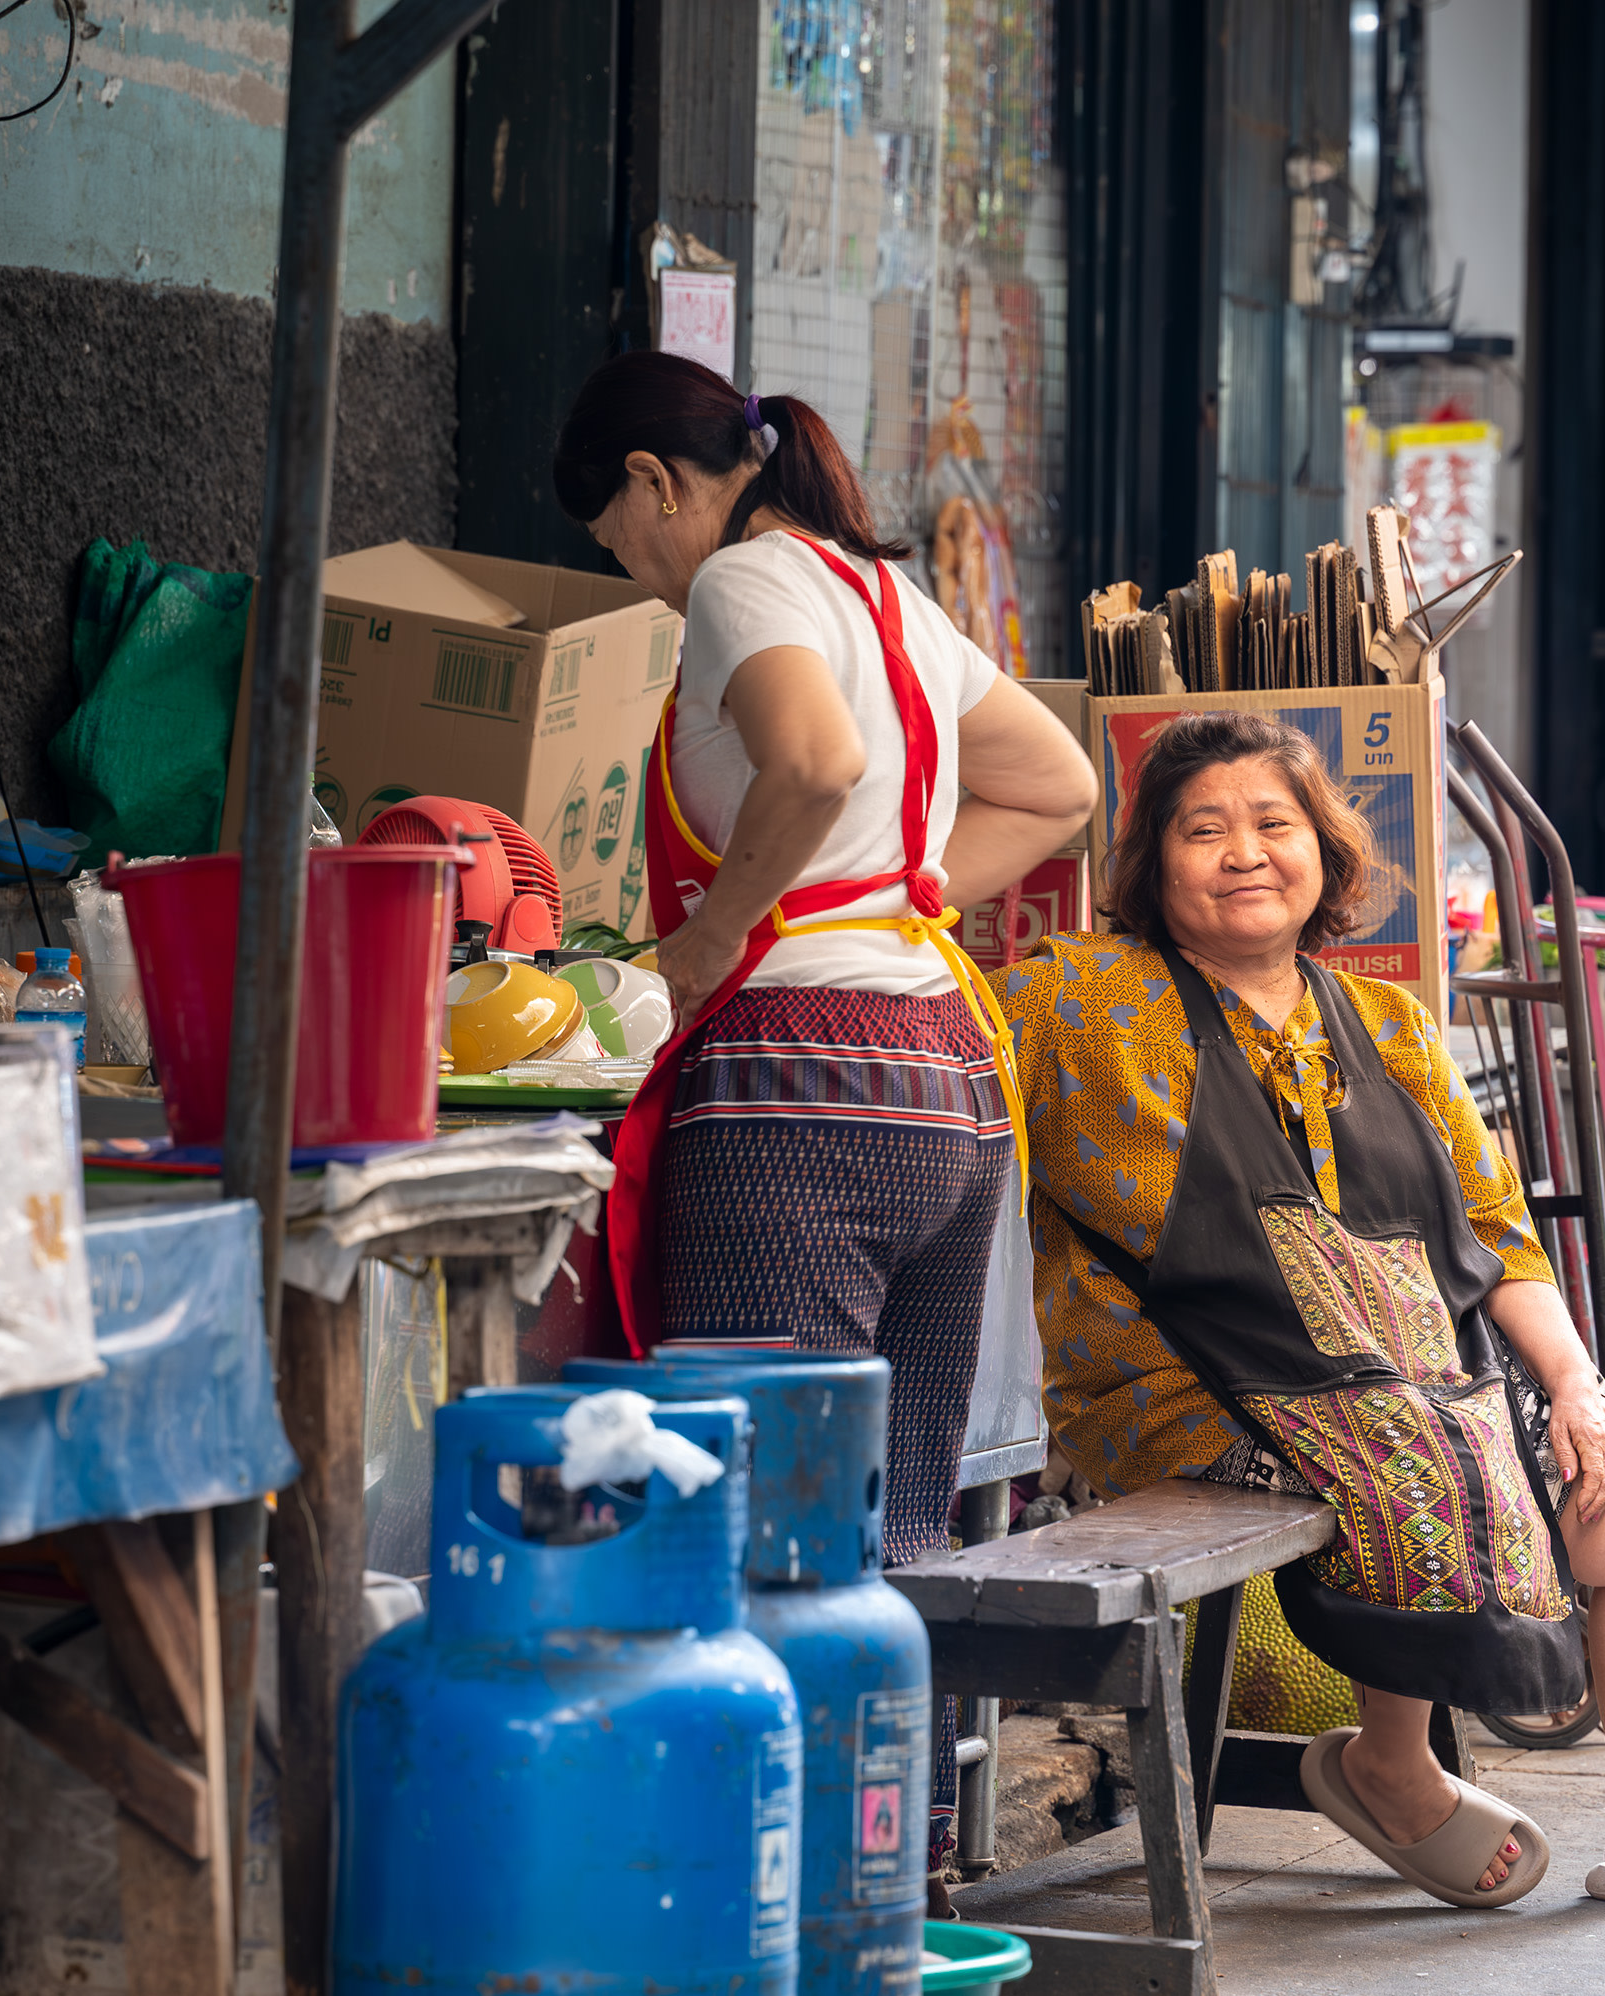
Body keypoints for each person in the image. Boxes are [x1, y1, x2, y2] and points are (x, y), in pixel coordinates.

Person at [991, 709, 1605, 1918]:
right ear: (1149, 863)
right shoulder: (1076, 1002)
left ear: (1324, 850)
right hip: (1180, 1386)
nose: (1243, 852)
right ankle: (1393, 1760)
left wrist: (1580, 1392)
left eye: (1273, 824)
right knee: (1415, 1458)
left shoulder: (1387, 1023)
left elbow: (1496, 1232)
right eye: (1203, 829)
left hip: (1413, 1379)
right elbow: (940, 1029)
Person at [551, 351, 1097, 1888]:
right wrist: (896, 897)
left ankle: (761, 1895)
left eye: (619, 541)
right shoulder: (882, 595)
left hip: (800, 1078)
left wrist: (726, 930)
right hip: (945, 1080)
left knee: (758, 1511)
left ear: (659, 484)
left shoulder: (744, 581)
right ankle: (891, 1876)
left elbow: (816, 761)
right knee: (894, 1525)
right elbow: (1052, 784)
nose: (640, 579)